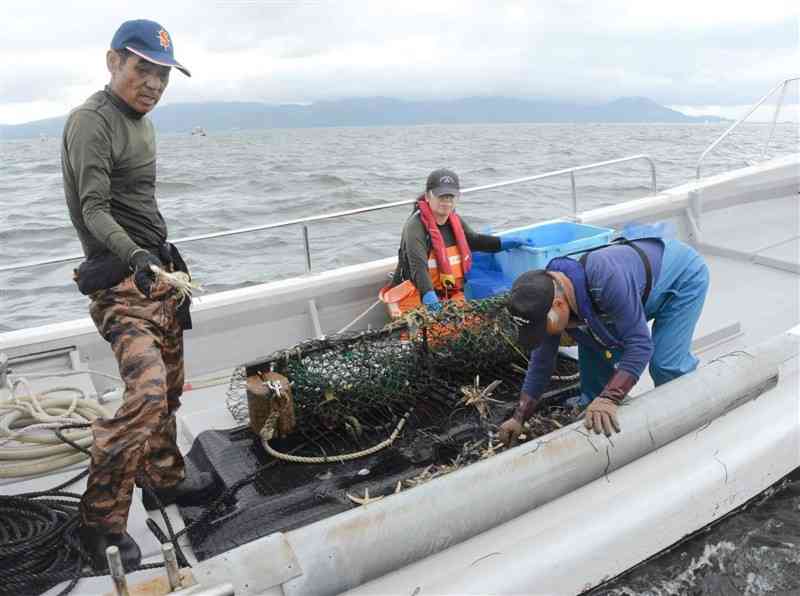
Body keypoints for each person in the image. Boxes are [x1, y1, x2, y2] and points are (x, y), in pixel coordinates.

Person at [61, 19, 212, 571]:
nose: (151, 84)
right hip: (121, 282)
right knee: (146, 394)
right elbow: (93, 209)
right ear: (112, 62)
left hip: (156, 277)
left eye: (162, 75)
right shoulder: (91, 121)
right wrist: (136, 257)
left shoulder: (141, 123)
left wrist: (159, 263)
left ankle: (164, 480)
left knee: (169, 387)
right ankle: (99, 525)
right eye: (141, 68)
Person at [497, 236, 709, 446]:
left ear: (560, 305)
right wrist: (519, 416)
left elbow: (640, 345)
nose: (543, 335)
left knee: (665, 364)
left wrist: (610, 398)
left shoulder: (605, 279)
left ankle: (690, 415)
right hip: (630, 295)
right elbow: (541, 363)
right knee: (593, 350)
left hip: (680, 280)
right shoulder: (544, 299)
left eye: (542, 329)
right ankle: (598, 411)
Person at [382, 168, 530, 316]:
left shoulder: (455, 221)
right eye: (441, 196)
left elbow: (474, 241)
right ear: (428, 196)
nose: (446, 201)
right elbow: (418, 266)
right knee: (431, 335)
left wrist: (505, 243)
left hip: (449, 294)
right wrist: (428, 296)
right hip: (415, 294)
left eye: (450, 196)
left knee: (469, 327)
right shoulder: (415, 227)